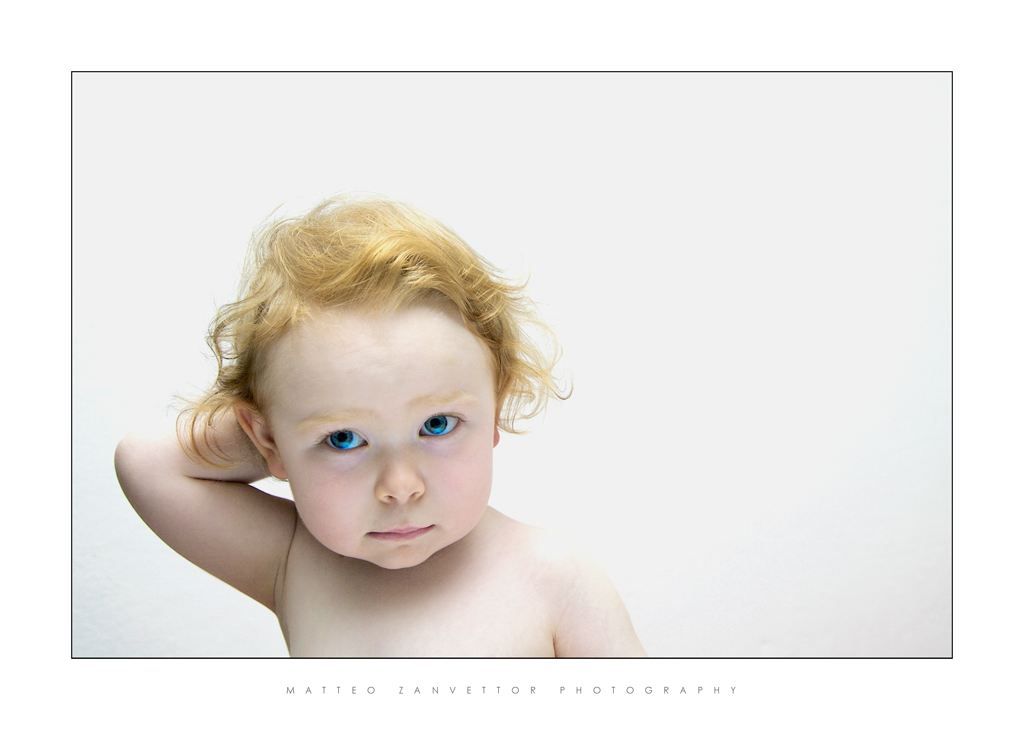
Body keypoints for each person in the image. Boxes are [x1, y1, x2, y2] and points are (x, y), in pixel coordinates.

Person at [114, 195, 646, 657]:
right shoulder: (295, 561)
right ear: (266, 438)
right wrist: (280, 426)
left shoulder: (554, 578)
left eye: (437, 424)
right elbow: (148, 463)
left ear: (496, 408)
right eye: (343, 439)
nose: (400, 486)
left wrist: (317, 428)